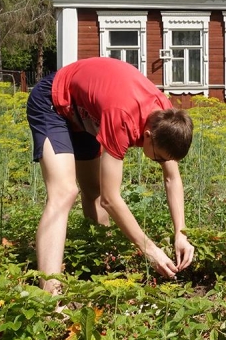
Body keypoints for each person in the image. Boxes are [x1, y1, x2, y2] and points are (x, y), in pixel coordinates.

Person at [26, 56, 195, 293]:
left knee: (92, 190)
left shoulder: (166, 117)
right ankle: (50, 295)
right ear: (147, 135)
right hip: (53, 102)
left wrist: (181, 233)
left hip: (87, 112)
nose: (161, 163)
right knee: (64, 193)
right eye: (159, 158)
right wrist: (150, 250)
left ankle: (101, 263)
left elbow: (172, 178)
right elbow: (111, 199)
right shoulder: (122, 119)